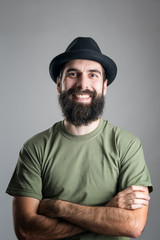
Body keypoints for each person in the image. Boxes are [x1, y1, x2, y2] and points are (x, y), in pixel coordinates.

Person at [6, 37, 153, 240]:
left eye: (93, 75)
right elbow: (26, 230)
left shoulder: (128, 145)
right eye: (73, 74)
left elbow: (133, 225)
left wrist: (59, 207)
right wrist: (108, 211)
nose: (83, 84)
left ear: (104, 86)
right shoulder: (35, 148)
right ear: (59, 84)